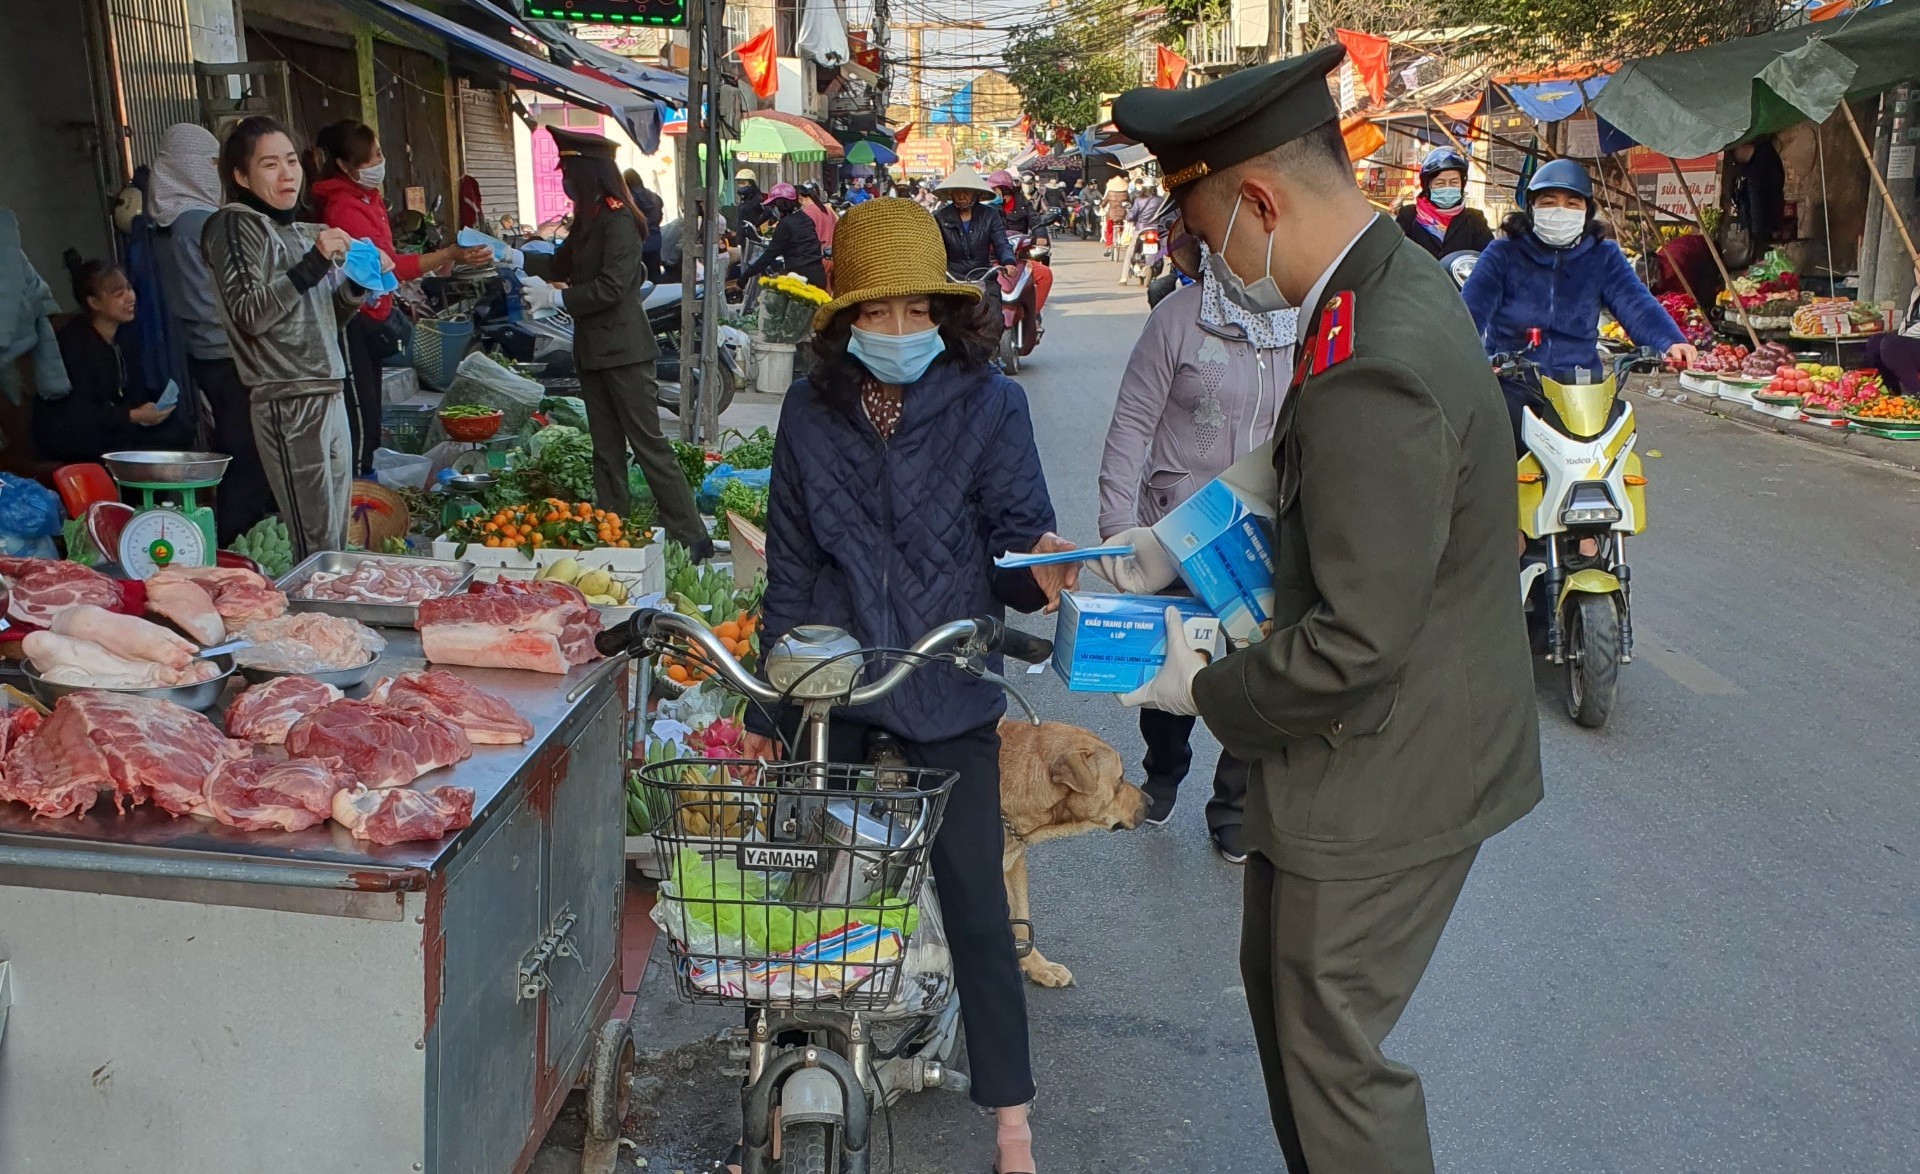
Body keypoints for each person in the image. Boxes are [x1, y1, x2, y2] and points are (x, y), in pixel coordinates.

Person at [1107, 46, 1544, 1174]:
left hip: (1385, 770)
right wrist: (1171, 543)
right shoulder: (1373, 283)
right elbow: (1311, 461)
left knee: (1329, 1058)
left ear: (1257, 201)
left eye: (1204, 240)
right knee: (1287, 1003)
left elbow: (1354, 640)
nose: (1207, 265)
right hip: (1386, 743)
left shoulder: (1377, 352)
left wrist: (1193, 682)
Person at [736, 196, 1074, 1174]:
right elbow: (790, 568)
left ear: (944, 313)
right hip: (833, 685)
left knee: (975, 895)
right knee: (811, 891)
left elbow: (1016, 548)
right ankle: (798, 1059)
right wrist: (772, 700)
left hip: (946, 678)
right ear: (842, 319)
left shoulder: (991, 404)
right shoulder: (809, 410)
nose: (895, 332)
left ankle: (1011, 1126)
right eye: (875, 314)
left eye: (914, 313)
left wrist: (1044, 567)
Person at [1095, 222, 1294, 863]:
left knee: (1255, 666)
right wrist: (1114, 527)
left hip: (1264, 532)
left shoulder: (1302, 325)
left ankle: (1234, 804)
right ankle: (1163, 768)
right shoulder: (1176, 320)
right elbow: (1132, 423)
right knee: (1175, 661)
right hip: (1177, 530)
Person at [512, 127, 711, 558]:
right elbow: (559, 262)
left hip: (624, 352)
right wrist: (512, 256)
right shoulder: (589, 217)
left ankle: (692, 535)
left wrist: (558, 296)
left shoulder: (618, 218)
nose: (563, 180)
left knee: (649, 446)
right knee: (605, 452)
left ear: (586, 172)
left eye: (568, 170)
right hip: (593, 352)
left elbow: (612, 287)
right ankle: (612, 530)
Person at [203, 116, 375, 562]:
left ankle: (338, 625)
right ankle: (316, 626)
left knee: (334, 533)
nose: (287, 174)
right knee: (313, 541)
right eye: (269, 165)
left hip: (328, 389)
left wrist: (357, 285)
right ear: (241, 176)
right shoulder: (233, 225)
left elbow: (322, 319)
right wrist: (314, 265)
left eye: (292, 162)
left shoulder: (301, 231)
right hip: (287, 399)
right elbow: (250, 313)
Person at [1460, 159, 1696, 450]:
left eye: (1572, 203)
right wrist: (1460, 359)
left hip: (1582, 392)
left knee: (1613, 456)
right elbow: (1469, 312)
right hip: (1513, 385)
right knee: (1496, 472)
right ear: (1531, 208)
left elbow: (1635, 302)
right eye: (1549, 202)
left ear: (1586, 212)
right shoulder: (1504, 253)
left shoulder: (1603, 255)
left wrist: (1670, 341)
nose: (1560, 211)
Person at [307, 120, 493, 475]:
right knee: (361, 416)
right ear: (345, 166)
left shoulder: (366, 198)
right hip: (354, 319)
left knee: (369, 409)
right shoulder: (343, 208)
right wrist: (449, 255)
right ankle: (363, 491)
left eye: (379, 153)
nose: (379, 161)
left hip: (372, 315)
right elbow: (386, 269)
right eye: (370, 158)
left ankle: (369, 486)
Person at [147, 121, 273, 543]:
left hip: (199, 354)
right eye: (211, 163)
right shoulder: (202, 222)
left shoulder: (163, 221)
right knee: (247, 451)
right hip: (229, 353)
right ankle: (241, 538)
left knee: (232, 445)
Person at [34, 254, 179, 462]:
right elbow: (77, 412)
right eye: (119, 293)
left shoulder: (122, 337)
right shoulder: (74, 343)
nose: (131, 297)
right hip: (74, 436)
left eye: (129, 288)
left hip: (110, 425)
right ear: (94, 302)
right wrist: (132, 416)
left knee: (177, 429)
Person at [1395, 146, 1494, 261]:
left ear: (1462, 184)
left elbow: (1490, 259)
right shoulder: (1409, 216)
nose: (1448, 187)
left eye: (1454, 182)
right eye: (1440, 184)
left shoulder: (1475, 219)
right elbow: (1395, 256)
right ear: (1427, 186)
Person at [738, 182, 828, 289]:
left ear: (781, 204)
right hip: (818, 275)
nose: (772, 209)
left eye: (773, 205)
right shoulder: (805, 218)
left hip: (800, 281)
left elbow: (769, 256)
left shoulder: (785, 224)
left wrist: (744, 277)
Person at [933, 165, 1015, 278]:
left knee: (993, 295)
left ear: (975, 194)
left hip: (983, 275)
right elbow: (932, 249)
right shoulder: (940, 217)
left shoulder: (990, 215)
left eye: (966, 192)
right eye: (957, 192)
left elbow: (1001, 243)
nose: (962, 196)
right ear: (951, 194)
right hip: (951, 278)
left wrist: (1008, 262)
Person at [1864, 264, 1920, 395]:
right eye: (1917, 271)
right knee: (1875, 341)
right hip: (1913, 340)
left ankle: (1915, 393)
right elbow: (1908, 320)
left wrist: (1904, 336)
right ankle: (1891, 390)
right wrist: (1903, 334)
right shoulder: (1916, 292)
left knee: (1891, 344)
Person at [1727, 135, 1785, 256]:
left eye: (1733, 154)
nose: (1735, 160)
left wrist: (1759, 236)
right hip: (1764, 229)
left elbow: (1758, 203)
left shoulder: (1757, 169)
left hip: (1764, 232)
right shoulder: (1763, 155)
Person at [1649, 231, 1725, 310]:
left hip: (1705, 251)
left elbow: (1687, 296)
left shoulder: (1674, 270)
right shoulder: (1652, 272)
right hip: (1686, 248)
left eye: (1653, 280)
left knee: (1703, 298)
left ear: (1657, 270)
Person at [623, 167, 668, 281]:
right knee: (654, 277)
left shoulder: (627, 201)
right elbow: (659, 217)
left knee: (637, 281)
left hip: (636, 244)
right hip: (655, 243)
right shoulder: (655, 197)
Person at [989, 169, 1036, 234]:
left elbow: (1035, 220)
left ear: (1004, 190)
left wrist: (1040, 235)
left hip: (1018, 242)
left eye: (994, 190)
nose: (991, 193)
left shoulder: (1023, 203)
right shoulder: (989, 207)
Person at [733, 168, 769, 234]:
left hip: (753, 238)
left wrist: (756, 226)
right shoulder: (744, 199)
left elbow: (768, 212)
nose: (741, 185)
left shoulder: (758, 198)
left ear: (751, 183)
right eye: (739, 183)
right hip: (742, 236)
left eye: (743, 183)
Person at [1101, 175, 1130, 254]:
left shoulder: (1110, 193)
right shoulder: (1125, 193)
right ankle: (1120, 237)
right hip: (1122, 214)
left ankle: (1109, 246)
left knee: (1109, 229)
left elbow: (1104, 202)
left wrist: (1102, 206)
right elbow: (1130, 202)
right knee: (1123, 226)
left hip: (1111, 214)